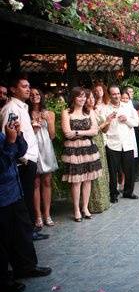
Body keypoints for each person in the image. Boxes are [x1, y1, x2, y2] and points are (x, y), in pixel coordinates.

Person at [0, 120, 52, 292]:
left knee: (22, 231)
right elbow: (2, 163)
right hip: (2, 196)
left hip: (14, 191)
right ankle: (3, 281)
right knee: (3, 238)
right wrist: (10, 142)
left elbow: (20, 152)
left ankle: (26, 267)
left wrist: (18, 135)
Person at [0, 75, 48, 241]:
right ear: (13, 89)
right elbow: (7, 136)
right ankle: (26, 233)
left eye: (29, 86)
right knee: (25, 199)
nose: (28, 89)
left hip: (30, 156)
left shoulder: (22, 107)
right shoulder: (11, 108)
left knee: (27, 197)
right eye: (24, 86)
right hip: (23, 160)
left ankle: (29, 231)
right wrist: (23, 159)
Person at [61, 87, 103, 222]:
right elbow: (67, 133)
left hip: (88, 148)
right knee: (76, 181)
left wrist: (78, 133)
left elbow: (95, 131)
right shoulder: (66, 112)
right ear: (73, 98)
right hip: (73, 149)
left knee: (87, 179)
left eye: (84, 96)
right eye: (80, 96)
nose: (83, 99)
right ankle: (76, 209)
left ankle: (85, 207)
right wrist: (85, 131)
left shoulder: (89, 111)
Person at [100, 85, 139, 203]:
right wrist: (108, 120)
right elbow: (103, 130)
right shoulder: (105, 109)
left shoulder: (128, 107)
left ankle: (128, 192)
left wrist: (126, 119)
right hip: (113, 144)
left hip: (127, 143)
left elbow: (136, 123)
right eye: (113, 94)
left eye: (118, 93)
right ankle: (113, 194)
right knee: (113, 171)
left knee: (130, 170)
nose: (116, 96)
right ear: (109, 95)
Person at [28, 88, 58, 228]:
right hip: (32, 148)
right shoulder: (26, 113)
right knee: (35, 182)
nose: (35, 96)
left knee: (47, 181)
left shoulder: (49, 113)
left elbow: (52, 136)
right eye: (32, 94)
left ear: (42, 96)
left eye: (37, 94)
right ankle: (38, 215)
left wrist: (49, 121)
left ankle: (47, 214)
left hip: (46, 147)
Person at [86, 91, 111, 213]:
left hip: (100, 142)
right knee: (94, 173)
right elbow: (94, 130)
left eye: (92, 97)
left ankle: (104, 201)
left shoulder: (96, 110)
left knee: (102, 171)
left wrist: (108, 121)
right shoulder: (85, 113)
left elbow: (104, 130)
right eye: (88, 98)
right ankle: (94, 204)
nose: (91, 100)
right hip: (91, 143)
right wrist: (106, 122)